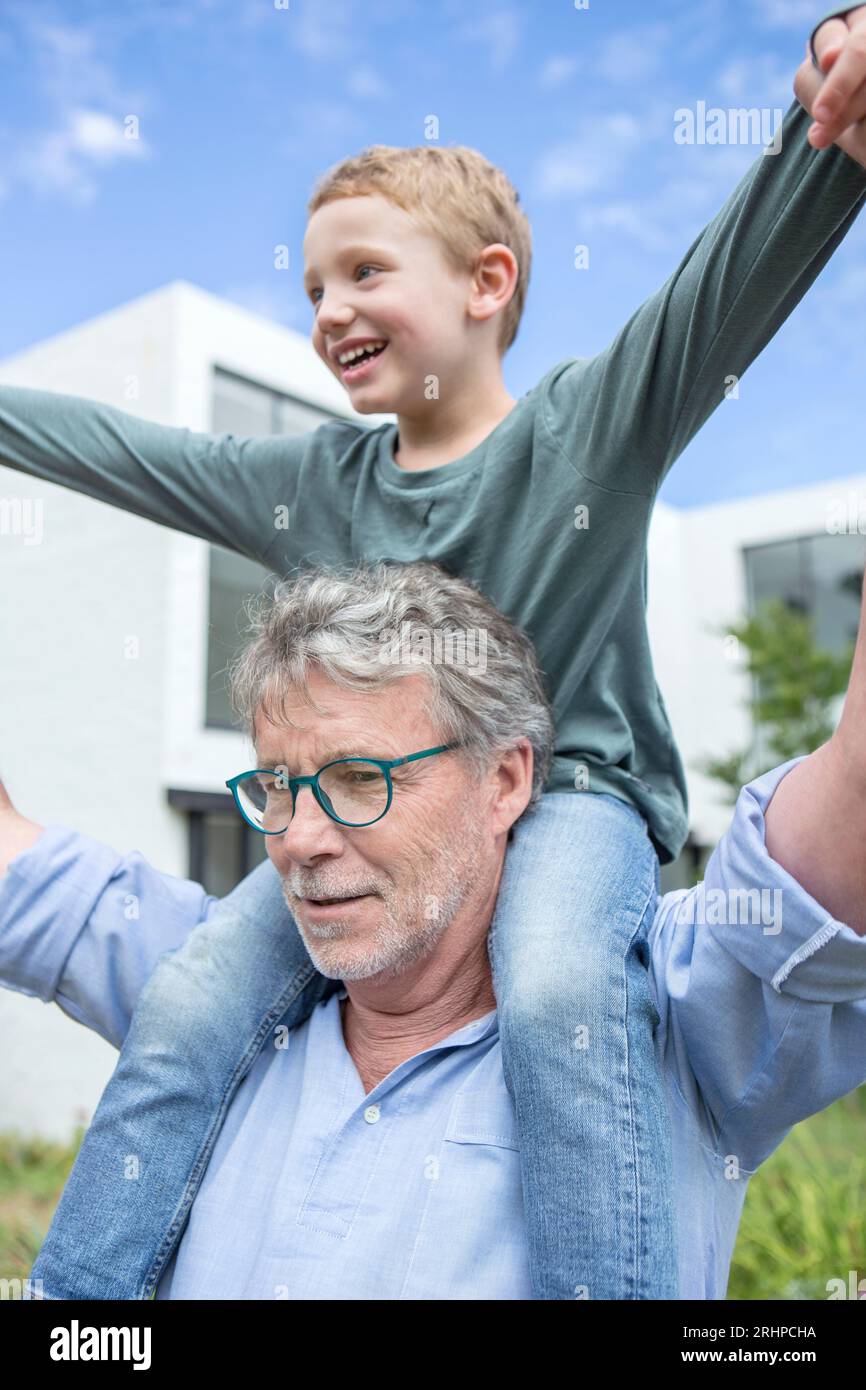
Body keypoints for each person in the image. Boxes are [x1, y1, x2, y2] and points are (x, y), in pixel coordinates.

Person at [0, 3, 863, 1301]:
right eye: (308, 289)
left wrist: (830, 138)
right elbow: (131, 452)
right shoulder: (313, 482)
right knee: (185, 1000)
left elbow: (715, 299)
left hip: (569, 798)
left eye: (360, 272)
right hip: (384, 822)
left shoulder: (580, 435)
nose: (326, 310)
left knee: (565, 985)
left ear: (487, 281)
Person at [1, 557, 865, 1301]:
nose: (299, 840)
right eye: (274, 785)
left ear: (504, 781)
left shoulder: (661, 1017)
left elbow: (838, 829)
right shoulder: (211, 998)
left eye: (358, 778)